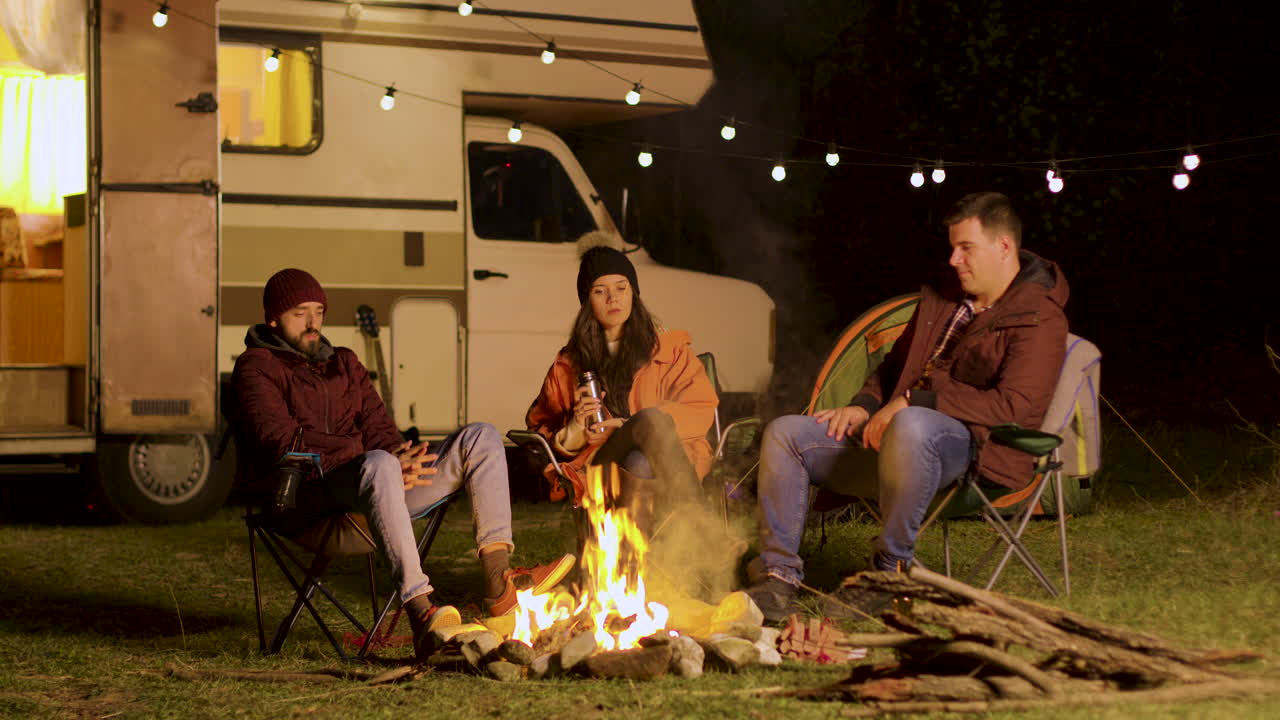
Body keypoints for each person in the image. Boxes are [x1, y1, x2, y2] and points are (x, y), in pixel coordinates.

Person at [746, 192, 1070, 622]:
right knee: (786, 433)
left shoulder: (1039, 318)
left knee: (914, 425)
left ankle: (889, 575)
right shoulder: (943, 299)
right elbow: (893, 366)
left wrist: (913, 401)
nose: (954, 260)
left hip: (972, 447)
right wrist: (864, 406)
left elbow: (1013, 406)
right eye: (952, 247)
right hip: (894, 439)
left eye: (966, 248)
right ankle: (778, 577)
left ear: (1004, 247)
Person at [231, 268, 574, 660]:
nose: (313, 324)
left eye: (319, 311)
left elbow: (379, 429)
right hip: (306, 502)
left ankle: (499, 583)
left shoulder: (343, 363)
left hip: (373, 493)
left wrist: (401, 458)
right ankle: (421, 611)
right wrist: (377, 458)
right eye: (299, 313)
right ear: (273, 318)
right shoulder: (256, 367)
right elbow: (281, 442)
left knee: (481, 437)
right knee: (379, 464)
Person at [525, 240, 718, 528]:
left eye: (621, 288)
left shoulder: (668, 350)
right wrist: (575, 428)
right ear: (587, 301)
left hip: (668, 461)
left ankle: (635, 566)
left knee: (643, 447)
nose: (612, 299)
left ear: (633, 293)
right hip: (600, 462)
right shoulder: (568, 365)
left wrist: (632, 426)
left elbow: (700, 408)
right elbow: (539, 433)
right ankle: (705, 532)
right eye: (600, 291)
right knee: (650, 422)